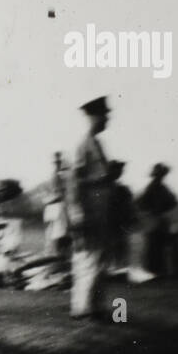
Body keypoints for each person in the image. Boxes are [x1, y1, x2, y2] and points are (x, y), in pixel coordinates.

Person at [66, 96, 114, 318]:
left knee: (98, 258)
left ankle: (94, 306)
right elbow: (75, 180)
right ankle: (82, 307)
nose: (107, 119)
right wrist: (77, 211)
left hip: (100, 210)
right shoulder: (84, 145)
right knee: (87, 257)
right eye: (104, 115)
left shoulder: (95, 144)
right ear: (94, 117)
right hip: (89, 211)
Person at [136, 163, 178, 277]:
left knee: (158, 247)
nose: (161, 176)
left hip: (160, 221)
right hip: (153, 221)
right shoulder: (152, 188)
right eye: (159, 174)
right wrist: (151, 212)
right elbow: (141, 204)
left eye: (162, 174)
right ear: (156, 175)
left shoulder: (162, 188)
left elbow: (173, 201)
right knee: (154, 247)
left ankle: (158, 272)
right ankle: (154, 272)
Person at [105, 160, 137, 275]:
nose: (120, 172)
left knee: (121, 244)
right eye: (117, 169)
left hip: (119, 221)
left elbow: (128, 206)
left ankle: (119, 269)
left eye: (120, 170)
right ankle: (112, 269)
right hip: (108, 220)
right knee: (111, 245)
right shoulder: (105, 187)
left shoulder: (121, 188)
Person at [42, 152, 71, 263]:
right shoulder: (54, 175)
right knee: (55, 234)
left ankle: (61, 257)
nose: (57, 164)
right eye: (56, 162)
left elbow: (61, 193)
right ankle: (56, 257)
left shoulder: (61, 175)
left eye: (59, 162)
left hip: (60, 207)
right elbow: (56, 193)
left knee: (60, 234)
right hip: (56, 208)